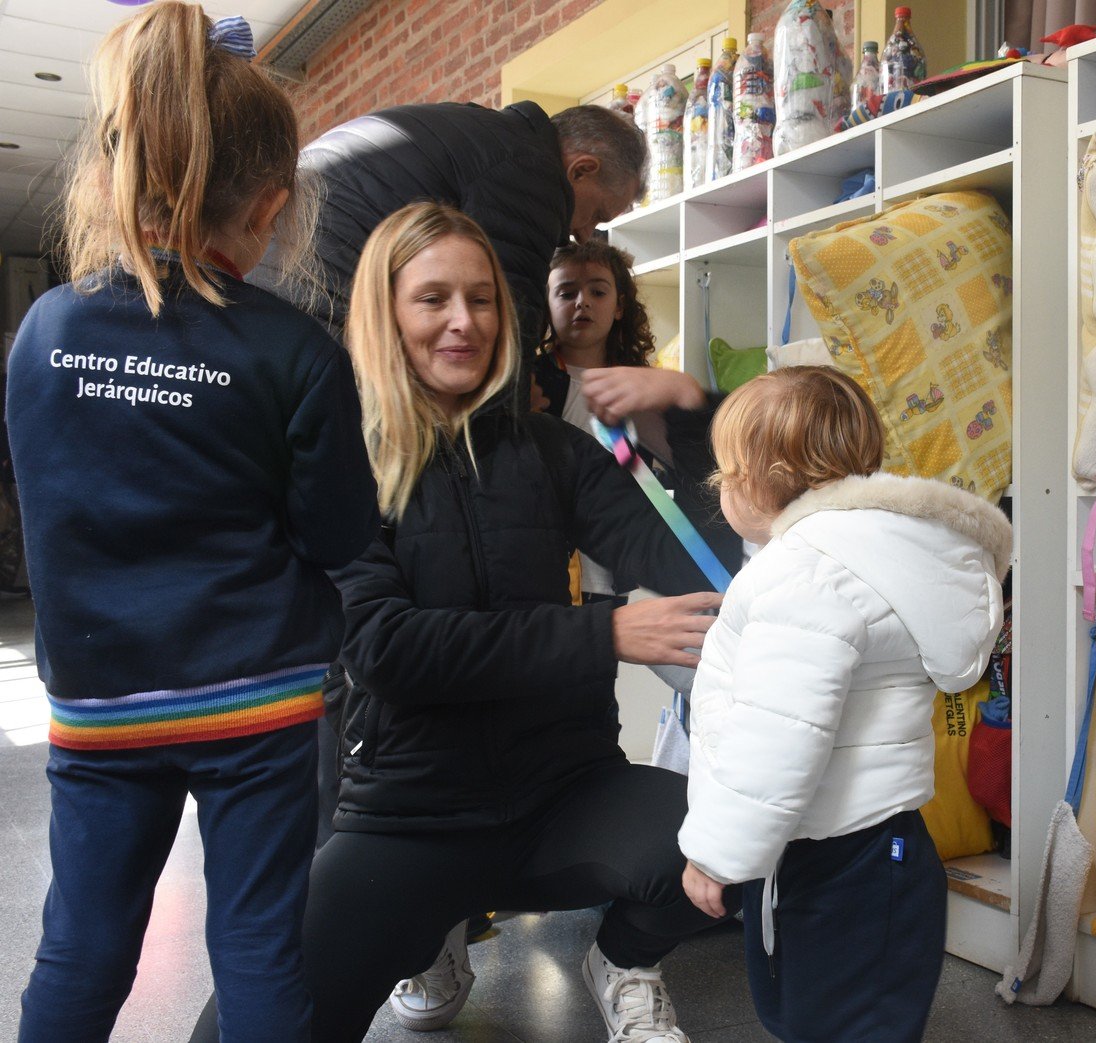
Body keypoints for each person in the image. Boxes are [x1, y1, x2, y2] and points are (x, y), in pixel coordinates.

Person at [193, 201, 723, 1043]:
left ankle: (621, 958)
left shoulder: (555, 451)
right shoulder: (340, 465)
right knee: (246, 1027)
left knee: (760, 840)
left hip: (566, 792)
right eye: (432, 298)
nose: (463, 322)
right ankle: (427, 937)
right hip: (411, 817)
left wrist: (688, 409)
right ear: (386, 312)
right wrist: (605, 630)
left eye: (480, 299)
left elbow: (698, 562)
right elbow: (385, 650)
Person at [6, 4, 380, 1042]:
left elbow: (52, 498)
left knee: (81, 945)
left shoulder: (45, 330)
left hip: (100, 696)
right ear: (269, 203)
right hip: (253, 695)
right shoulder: (291, 350)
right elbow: (341, 534)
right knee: (257, 946)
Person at [677, 367, 1011, 1042]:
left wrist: (716, 851)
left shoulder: (803, 575)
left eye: (722, 474)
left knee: (840, 1021)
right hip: (854, 842)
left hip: (841, 852)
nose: (719, 489)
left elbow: (779, 734)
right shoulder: (857, 559)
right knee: (817, 1014)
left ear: (761, 477)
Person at [253, 99, 647, 350]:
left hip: (270, 269)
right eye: (597, 215)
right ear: (581, 170)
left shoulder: (484, 132)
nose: (582, 234)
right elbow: (510, 330)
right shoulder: (533, 175)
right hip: (313, 296)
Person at [535, 238, 744, 592]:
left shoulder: (643, 389)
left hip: (625, 562)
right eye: (566, 293)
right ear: (546, 305)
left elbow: (692, 471)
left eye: (598, 292)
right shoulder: (531, 384)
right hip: (551, 559)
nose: (582, 302)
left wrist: (683, 400)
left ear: (620, 306)